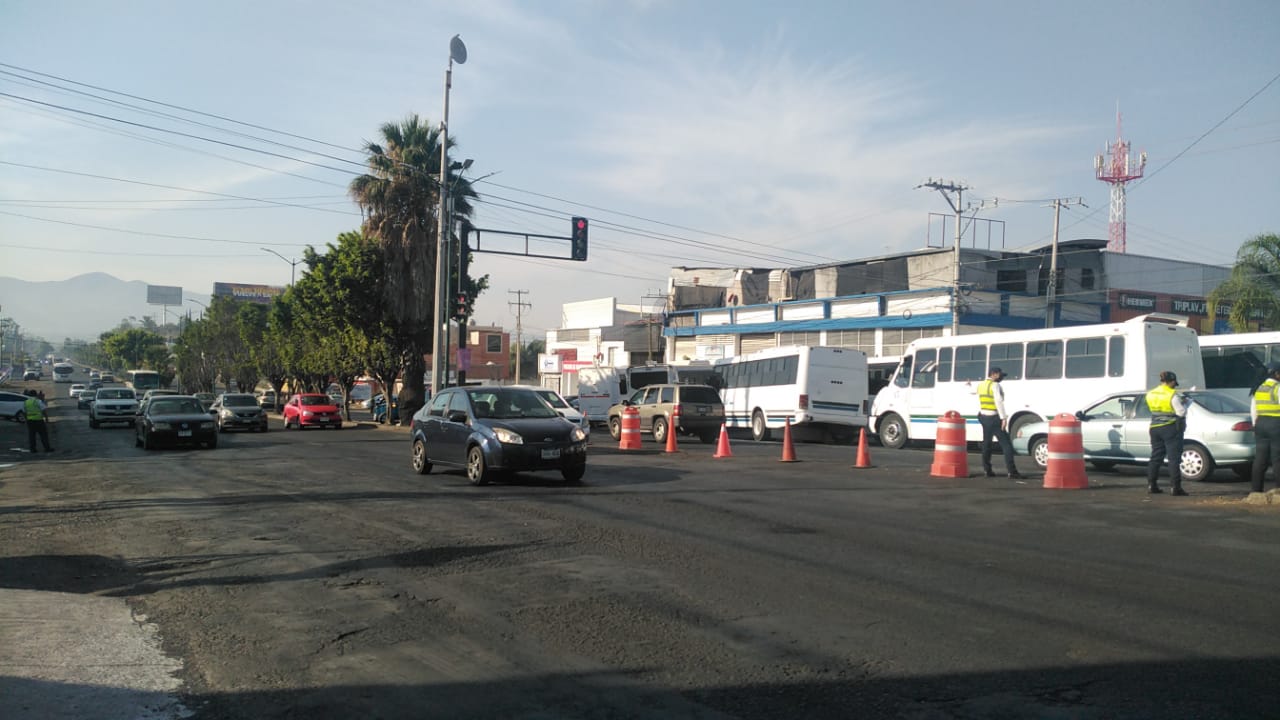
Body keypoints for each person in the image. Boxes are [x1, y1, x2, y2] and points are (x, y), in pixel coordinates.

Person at [1145, 370, 1188, 495]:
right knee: (1174, 459)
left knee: (1156, 457)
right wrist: (1184, 404)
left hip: (1154, 427)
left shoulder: (1151, 393)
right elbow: (1181, 412)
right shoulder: (1172, 394)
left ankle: (1151, 485)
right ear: (1172, 381)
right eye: (1175, 383)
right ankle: (1176, 488)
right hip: (1170, 428)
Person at [977, 367, 1024, 479]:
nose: (1001, 377)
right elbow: (998, 401)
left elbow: (975, 395)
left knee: (987, 444)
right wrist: (1003, 418)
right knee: (1006, 445)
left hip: (984, 417)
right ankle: (1012, 472)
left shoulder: (981, 385)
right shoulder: (995, 385)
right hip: (994, 417)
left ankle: (987, 470)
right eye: (1000, 375)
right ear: (993, 374)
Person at [1249, 362, 1280, 493]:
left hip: (1260, 424)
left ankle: (1256, 490)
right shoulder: (1277, 387)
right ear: (1277, 374)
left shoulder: (1259, 388)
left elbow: (1253, 410)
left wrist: (1255, 426)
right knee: (1277, 458)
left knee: (1260, 459)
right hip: (1276, 424)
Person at [23, 389, 54, 454]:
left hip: (30, 421)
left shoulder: (26, 402)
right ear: (36, 394)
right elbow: (43, 410)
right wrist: (46, 418)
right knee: (43, 435)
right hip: (39, 421)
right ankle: (47, 448)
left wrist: (26, 420)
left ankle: (33, 449)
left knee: (32, 436)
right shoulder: (38, 401)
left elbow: (25, 412)